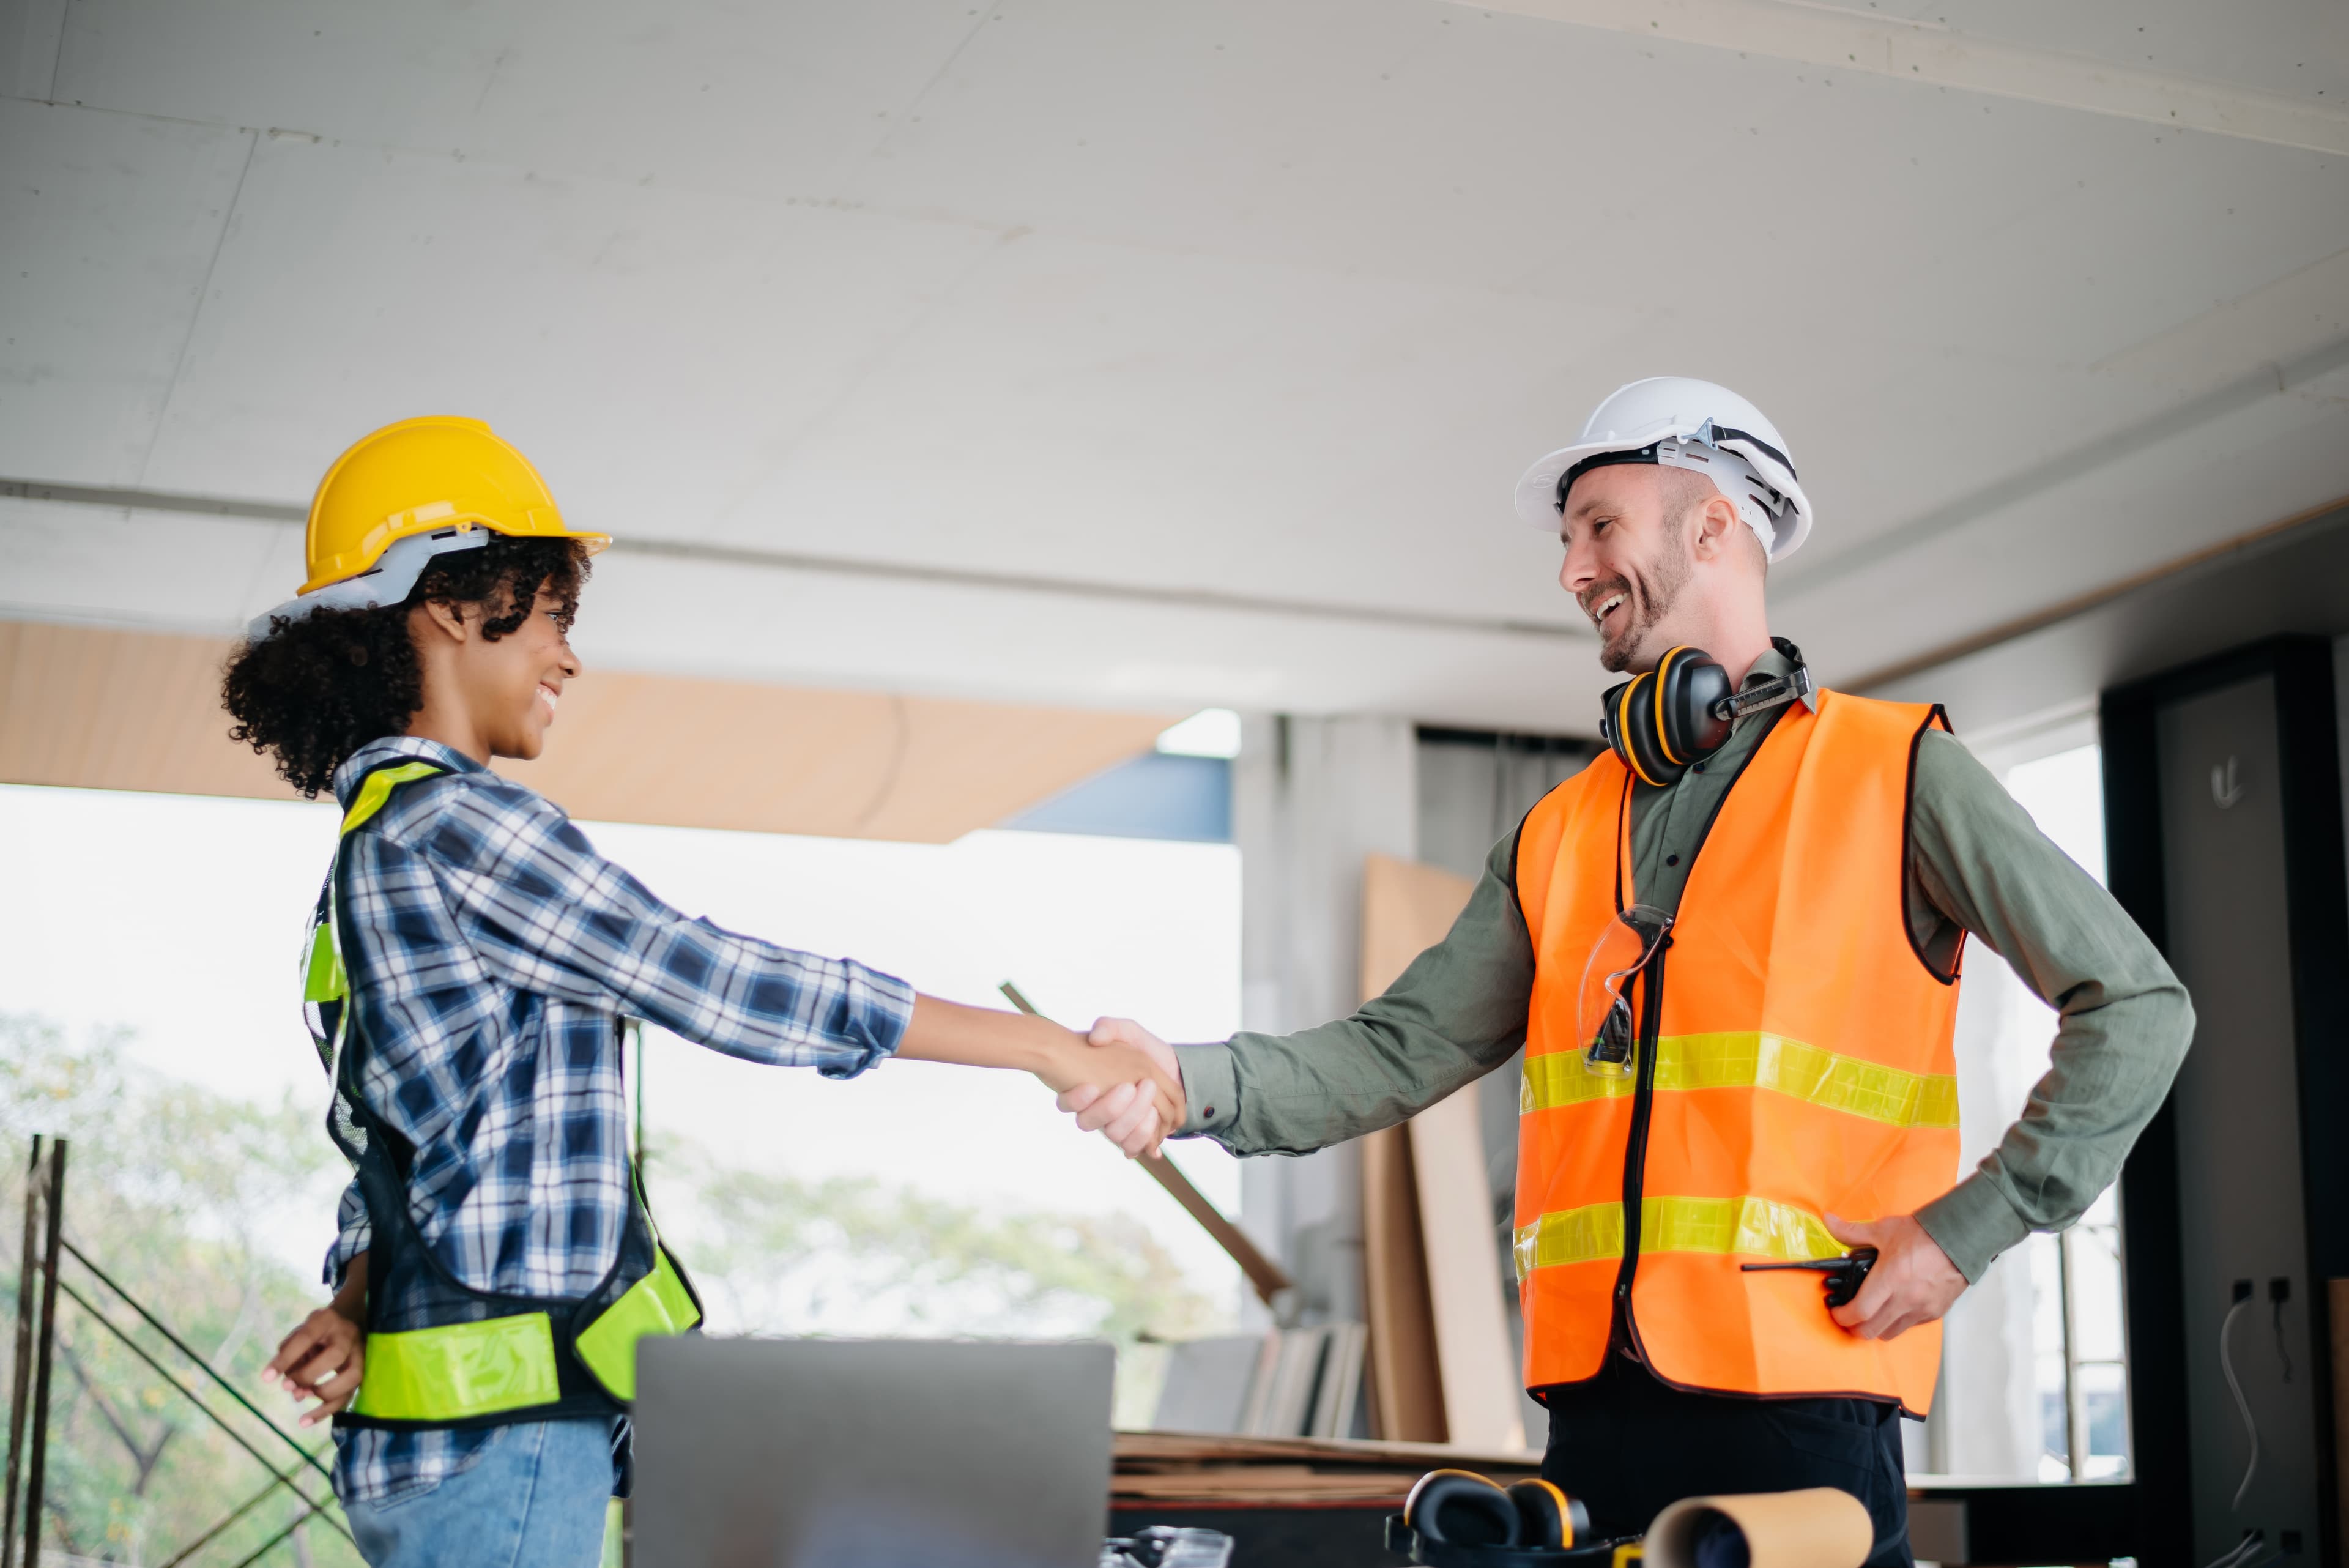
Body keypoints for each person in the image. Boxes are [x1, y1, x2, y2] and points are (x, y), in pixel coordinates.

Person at [1057, 379, 2192, 1565]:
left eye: (1599, 524)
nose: (1570, 569)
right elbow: (1399, 1046)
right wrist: (1184, 1080)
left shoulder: (1893, 772)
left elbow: (2139, 1006)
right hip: (1596, 1414)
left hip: (1800, 1410)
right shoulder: (1559, 829)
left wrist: (1969, 1227)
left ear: (1713, 525)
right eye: (1567, 538)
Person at [226, 416, 1182, 1568]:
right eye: (552, 617)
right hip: (505, 1445)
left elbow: (417, 1142)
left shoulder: (372, 852)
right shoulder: (461, 827)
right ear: (451, 603)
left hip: (456, 1441)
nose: (567, 659)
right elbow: (717, 980)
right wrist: (1048, 1049)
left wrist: (360, 1298)